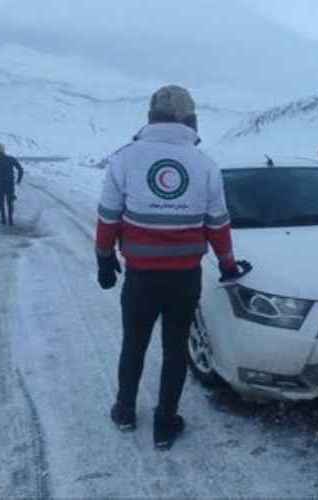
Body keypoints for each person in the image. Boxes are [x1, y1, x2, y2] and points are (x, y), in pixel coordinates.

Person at [95, 85, 249, 450]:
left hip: (140, 277)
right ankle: (165, 423)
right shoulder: (204, 164)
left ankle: (124, 411)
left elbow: (108, 217)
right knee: (175, 347)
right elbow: (218, 224)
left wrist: (104, 258)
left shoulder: (125, 158)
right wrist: (228, 265)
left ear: (151, 118)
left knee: (133, 344)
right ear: (189, 120)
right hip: (183, 278)